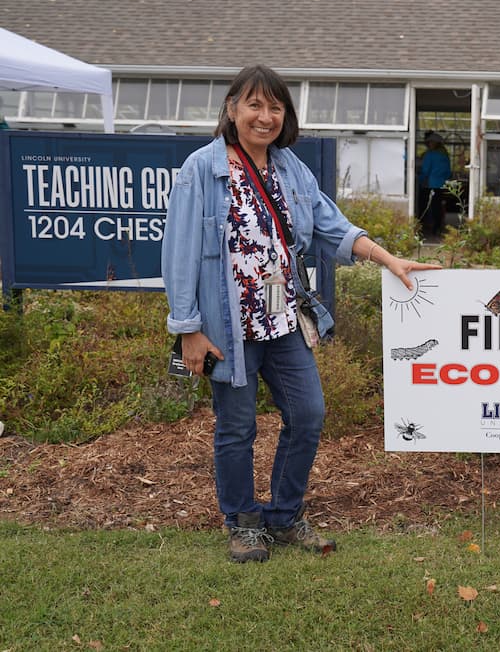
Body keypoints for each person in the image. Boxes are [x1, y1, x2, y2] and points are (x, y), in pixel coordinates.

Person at [162, 65, 440, 563]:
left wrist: (389, 258)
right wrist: (188, 329)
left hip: (283, 319)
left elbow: (334, 228)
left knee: (308, 414)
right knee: (237, 427)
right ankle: (243, 524)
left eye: (275, 107)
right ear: (232, 109)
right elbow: (179, 255)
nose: (265, 117)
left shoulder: (290, 169)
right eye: (254, 105)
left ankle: (284, 516)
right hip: (230, 326)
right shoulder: (201, 170)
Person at [418, 131, 451, 236]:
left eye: (430, 142)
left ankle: (425, 227)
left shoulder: (430, 155)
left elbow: (425, 171)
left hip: (429, 185)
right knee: (438, 206)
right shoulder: (445, 155)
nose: (429, 144)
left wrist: (419, 179)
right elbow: (448, 172)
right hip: (441, 185)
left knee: (426, 206)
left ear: (434, 143)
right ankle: (437, 227)